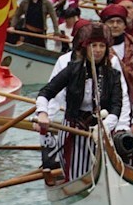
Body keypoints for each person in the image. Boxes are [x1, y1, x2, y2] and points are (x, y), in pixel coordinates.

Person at [34, 26, 127, 178]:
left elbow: (117, 106)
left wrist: (104, 127)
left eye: (102, 46)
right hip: (73, 130)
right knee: (77, 174)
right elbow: (46, 92)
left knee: (104, 174)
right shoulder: (72, 69)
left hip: (102, 132)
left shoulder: (113, 75)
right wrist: (43, 114)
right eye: (93, 45)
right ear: (85, 48)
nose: (97, 50)